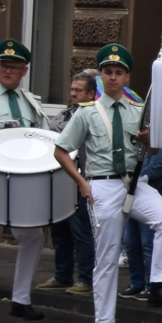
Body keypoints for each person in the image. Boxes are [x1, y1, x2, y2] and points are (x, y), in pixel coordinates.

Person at [53, 43, 162, 323]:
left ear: (127, 77)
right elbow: (61, 151)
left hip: (133, 183)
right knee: (108, 257)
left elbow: (153, 150)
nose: (113, 77)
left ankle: (157, 284)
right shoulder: (86, 113)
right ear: (100, 76)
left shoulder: (138, 110)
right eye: (108, 72)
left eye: (118, 72)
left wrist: (148, 141)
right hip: (103, 185)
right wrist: (82, 183)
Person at [0, 39, 62, 323]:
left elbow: (46, 139)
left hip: (20, 181)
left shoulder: (30, 102)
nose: (7, 71)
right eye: (3, 65)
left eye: (14, 67)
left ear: (24, 71)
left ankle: (21, 300)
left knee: (33, 236)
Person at [43, 70, 98, 296]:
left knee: (82, 232)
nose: (74, 94)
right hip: (59, 180)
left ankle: (86, 279)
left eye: (79, 90)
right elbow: (50, 138)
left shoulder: (95, 115)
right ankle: (62, 275)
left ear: (91, 94)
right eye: (72, 90)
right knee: (60, 231)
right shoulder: (63, 115)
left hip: (82, 180)